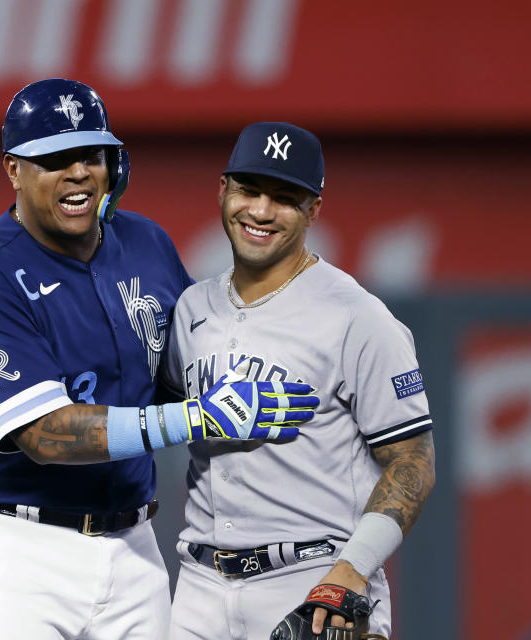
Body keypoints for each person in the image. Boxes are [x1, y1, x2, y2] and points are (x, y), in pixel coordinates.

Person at [0, 82, 320, 640]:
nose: (80, 172)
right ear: (13, 169)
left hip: (133, 547)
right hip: (8, 551)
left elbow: (183, 371)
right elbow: (45, 434)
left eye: (92, 154)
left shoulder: (144, 243)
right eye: (55, 158)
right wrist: (198, 417)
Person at [164, 122, 436, 640]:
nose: (262, 211)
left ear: (313, 209)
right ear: (223, 190)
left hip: (312, 579)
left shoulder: (358, 316)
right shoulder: (191, 308)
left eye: (284, 198)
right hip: (199, 586)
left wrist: (354, 568)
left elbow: (414, 462)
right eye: (249, 190)